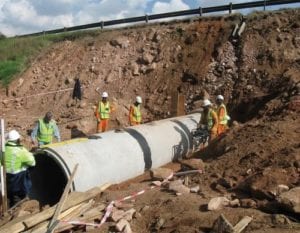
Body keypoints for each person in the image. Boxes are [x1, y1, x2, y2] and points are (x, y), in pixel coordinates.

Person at [3, 130, 36, 206]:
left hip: (6, 179)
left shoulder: (3, 149)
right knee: (18, 198)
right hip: (18, 181)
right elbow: (32, 162)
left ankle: (8, 203)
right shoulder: (21, 150)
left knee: (9, 195)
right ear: (18, 140)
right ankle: (18, 204)